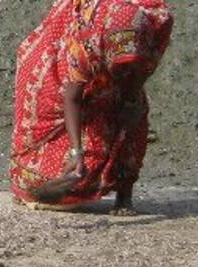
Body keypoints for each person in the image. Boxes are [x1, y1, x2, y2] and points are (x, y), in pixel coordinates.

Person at [9, 0, 173, 215]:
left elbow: (138, 71)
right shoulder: (85, 44)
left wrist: (131, 97)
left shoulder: (153, 25)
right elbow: (72, 98)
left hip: (122, 61)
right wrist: (77, 152)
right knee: (53, 117)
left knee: (134, 119)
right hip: (62, 67)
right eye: (119, 65)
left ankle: (124, 196)